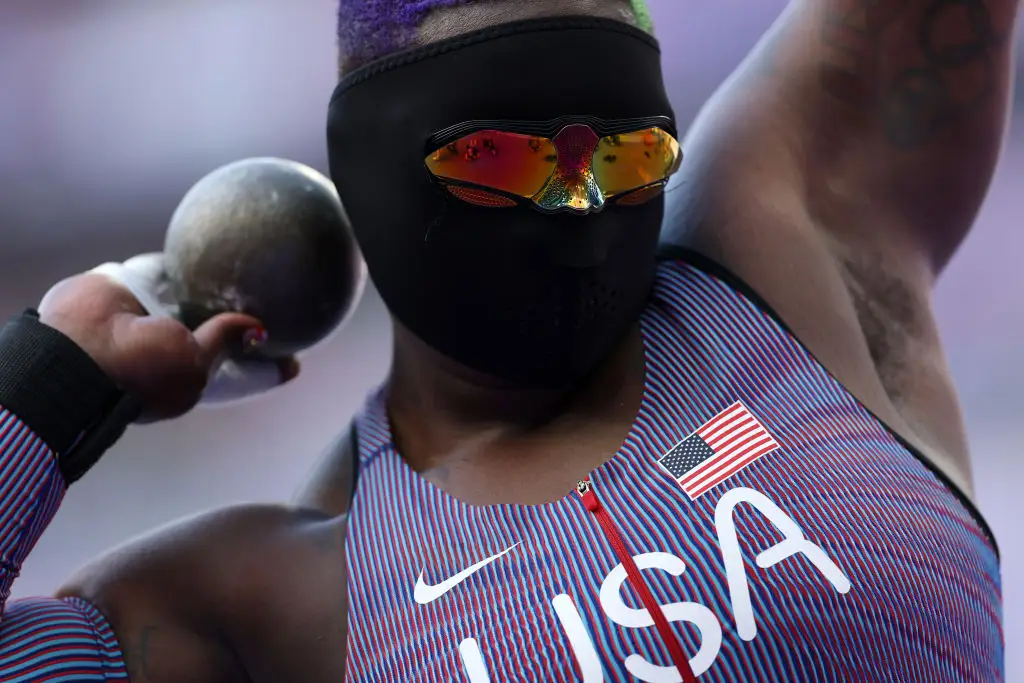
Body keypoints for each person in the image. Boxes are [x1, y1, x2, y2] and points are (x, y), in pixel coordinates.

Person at [0, 0, 1013, 680]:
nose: (577, 205)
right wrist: (50, 385)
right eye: (496, 158)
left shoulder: (796, 254)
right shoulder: (266, 611)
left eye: (625, 156)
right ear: (364, 172)